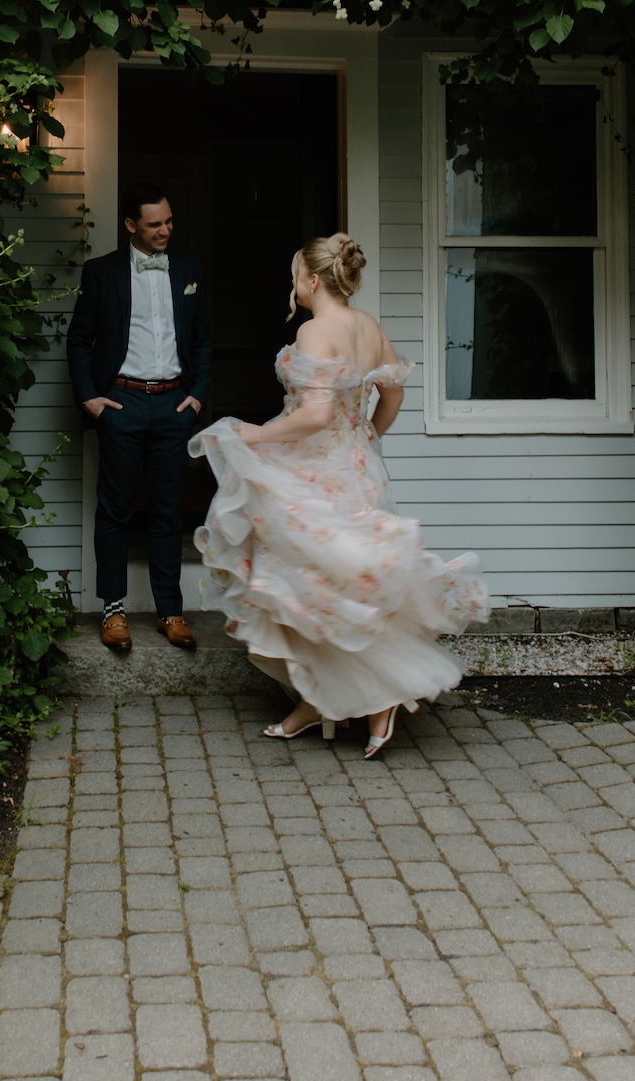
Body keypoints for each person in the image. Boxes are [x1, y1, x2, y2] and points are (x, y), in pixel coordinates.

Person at [190, 232, 488, 755]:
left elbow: (316, 414)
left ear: (310, 279)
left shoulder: (313, 332)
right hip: (358, 467)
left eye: (293, 277)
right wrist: (367, 435)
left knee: (315, 587)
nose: (292, 286)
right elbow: (392, 393)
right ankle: (321, 703)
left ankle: (374, 702)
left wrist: (255, 435)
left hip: (317, 472)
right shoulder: (368, 326)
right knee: (332, 589)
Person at [67, 182, 212, 651]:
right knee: (115, 509)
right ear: (131, 225)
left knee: (168, 512)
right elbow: (79, 339)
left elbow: (204, 340)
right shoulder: (101, 272)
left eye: (169, 221)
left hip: (173, 405)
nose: (165, 230)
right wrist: (90, 398)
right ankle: (113, 611)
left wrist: (198, 396)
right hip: (122, 404)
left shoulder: (190, 271)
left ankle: (170, 610)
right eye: (155, 224)